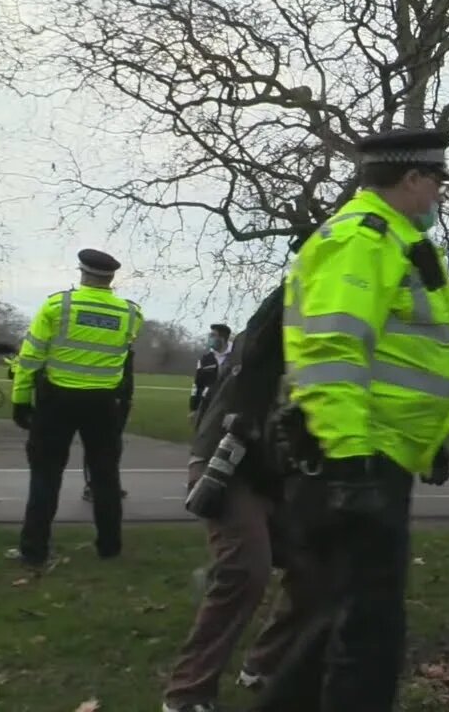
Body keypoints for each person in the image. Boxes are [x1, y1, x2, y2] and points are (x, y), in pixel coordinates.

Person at [262, 128, 449, 711]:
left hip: (378, 453)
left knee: (340, 615)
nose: (439, 197)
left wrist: (426, 438)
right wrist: (351, 463)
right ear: (412, 179)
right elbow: (331, 353)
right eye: (436, 184)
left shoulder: (392, 240)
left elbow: (400, 356)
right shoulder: (364, 239)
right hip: (357, 460)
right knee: (370, 632)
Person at [161, 289, 305, 712]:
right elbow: (267, 326)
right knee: (245, 569)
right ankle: (186, 694)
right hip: (227, 463)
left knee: (315, 561)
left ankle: (266, 664)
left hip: (272, 474)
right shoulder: (268, 333)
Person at [6, 249, 143, 566]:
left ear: (82, 272)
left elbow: (31, 358)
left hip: (57, 400)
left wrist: (21, 399)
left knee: (45, 475)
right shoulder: (131, 314)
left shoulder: (58, 305)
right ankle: (109, 547)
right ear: (110, 278)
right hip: (103, 403)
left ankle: (34, 550)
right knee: (106, 476)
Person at [81, 347, 134, 503]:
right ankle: (92, 486)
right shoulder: (110, 346)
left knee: (114, 446)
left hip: (121, 401)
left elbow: (128, 376)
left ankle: (108, 484)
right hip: (106, 397)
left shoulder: (126, 348)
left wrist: (127, 399)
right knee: (97, 444)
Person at [190, 323, 233, 422]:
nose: (209, 338)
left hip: (229, 407)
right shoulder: (205, 359)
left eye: (213, 335)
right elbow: (197, 385)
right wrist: (193, 408)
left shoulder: (236, 355)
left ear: (222, 338)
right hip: (207, 406)